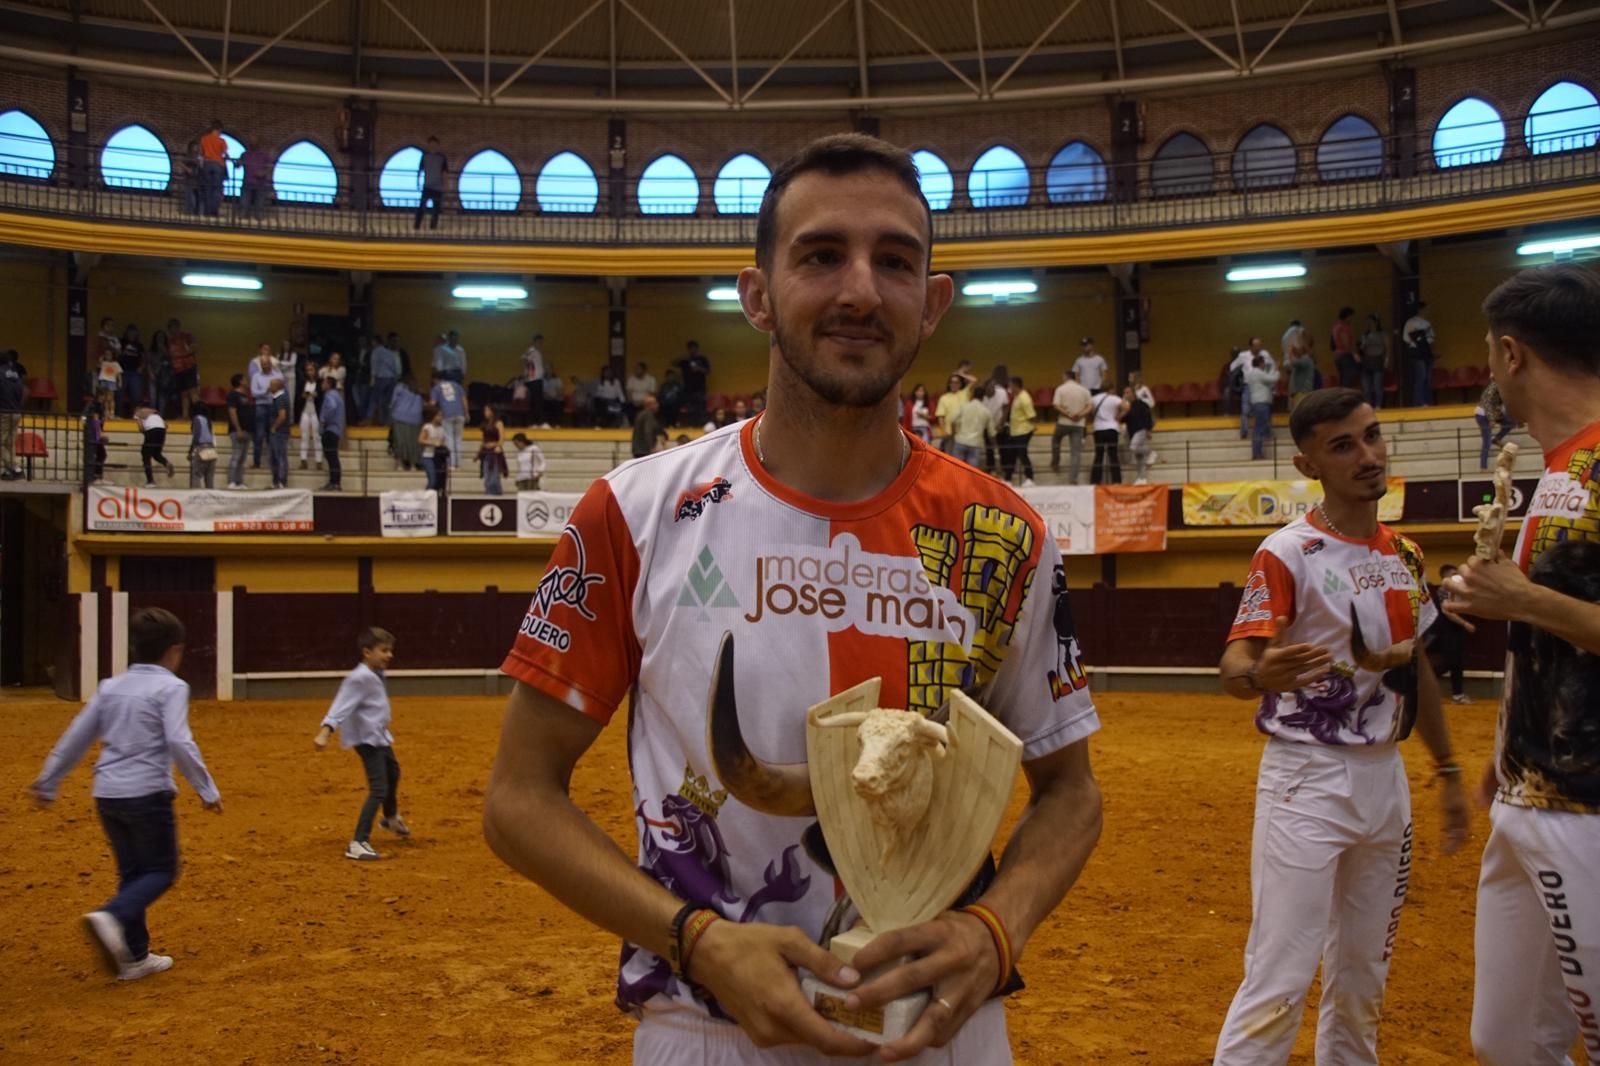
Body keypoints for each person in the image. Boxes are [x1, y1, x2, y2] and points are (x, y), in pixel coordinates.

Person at [482, 132, 1102, 1065]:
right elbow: (518, 799)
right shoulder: (633, 513)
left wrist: (995, 929)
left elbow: (1072, 794)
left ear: (931, 303)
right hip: (708, 1022)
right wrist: (698, 940)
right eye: (821, 256)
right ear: (758, 294)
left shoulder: (1008, 534)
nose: (860, 290)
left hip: (943, 1026)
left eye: (894, 261)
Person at [1213, 387, 1468, 1066]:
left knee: (1363, 981)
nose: (1368, 456)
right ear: (1308, 464)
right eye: (1343, 445)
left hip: (1386, 784)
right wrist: (1258, 677)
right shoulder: (1288, 551)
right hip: (1306, 781)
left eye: (1373, 437)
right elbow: (1235, 661)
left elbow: (1416, 675)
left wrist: (1445, 771)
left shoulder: (1406, 556)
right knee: (1279, 980)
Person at [1441, 264, 1600, 1065]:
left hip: (1592, 807)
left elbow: (1542, 615)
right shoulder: (1558, 469)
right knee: (1506, 1041)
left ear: (1510, 354)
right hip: (1530, 792)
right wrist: (1505, 755)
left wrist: (1526, 601)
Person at [28, 608, 224, 982]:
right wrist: (205, 788)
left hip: (108, 795)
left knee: (133, 873)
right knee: (161, 870)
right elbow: (179, 740)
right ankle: (113, 916)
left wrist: (48, 781)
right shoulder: (171, 687)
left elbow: (77, 736)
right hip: (146, 793)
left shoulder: (110, 687)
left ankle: (134, 956)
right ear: (175, 651)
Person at [313, 627, 408, 862]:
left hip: (378, 736)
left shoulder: (374, 672)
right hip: (368, 740)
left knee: (393, 772)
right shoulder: (359, 678)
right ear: (367, 652)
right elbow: (341, 706)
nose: (389, 655)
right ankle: (358, 842)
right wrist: (326, 731)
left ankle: (390, 817)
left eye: (390, 650)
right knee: (379, 789)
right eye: (384, 651)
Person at [1426, 564, 1475, 705]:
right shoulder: (1443, 589)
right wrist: (1465, 624)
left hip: (1454, 630)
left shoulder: (1458, 591)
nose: (1457, 577)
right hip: (1444, 631)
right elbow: (1447, 612)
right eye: (1454, 574)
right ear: (1445, 577)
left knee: (1457, 663)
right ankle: (1420, 686)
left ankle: (1458, 694)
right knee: (1450, 662)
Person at [1050, 368, 1092, 483]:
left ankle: (1055, 461)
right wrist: (1079, 415)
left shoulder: (1061, 389)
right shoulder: (1084, 390)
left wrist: (1068, 414)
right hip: (1079, 424)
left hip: (1063, 422)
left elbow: (1056, 405)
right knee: (1076, 452)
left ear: (1065, 377)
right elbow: (1089, 407)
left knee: (1056, 440)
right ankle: (1073, 478)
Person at [248, 343, 281, 469]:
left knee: (272, 435)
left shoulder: (277, 375)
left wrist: (272, 390)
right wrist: (266, 391)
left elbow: (280, 389)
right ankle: (257, 462)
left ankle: (273, 462)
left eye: (267, 364)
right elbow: (254, 393)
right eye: (263, 365)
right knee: (259, 435)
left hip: (273, 405)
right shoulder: (256, 376)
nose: (265, 366)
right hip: (260, 407)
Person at [949, 379, 994, 467]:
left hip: (960, 440)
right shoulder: (986, 411)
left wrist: (954, 433)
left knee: (957, 469)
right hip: (976, 443)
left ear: (973, 395)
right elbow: (991, 433)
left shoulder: (964, 406)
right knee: (972, 472)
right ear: (983, 397)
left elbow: (952, 419)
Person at [1243, 352, 1279, 461]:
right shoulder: (1258, 373)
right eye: (1263, 363)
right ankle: (1257, 453)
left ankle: (1257, 452)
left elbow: (1268, 381)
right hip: (1261, 403)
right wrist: (1276, 369)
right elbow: (1273, 379)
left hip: (1257, 403)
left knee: (1259, 427)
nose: (1264, 365)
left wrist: (1273, 370)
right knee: (1259, 428)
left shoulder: (1252, 374)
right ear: (1260, 363)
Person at [1472, 379, 1514, 471]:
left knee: (1510, 422)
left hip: (1495, 412)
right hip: (1482, 414)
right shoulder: (1493, 387)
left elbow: (1505, 405)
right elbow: (1487, 403)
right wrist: (1491, 419)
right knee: (1486, 440)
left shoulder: (1504, 389)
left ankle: (1497, 439)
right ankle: (1483, 466)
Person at [1088, 386, 1127, 484]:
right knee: (1113, 455)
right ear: (1111, 389)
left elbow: (1090, 410)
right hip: (1112, 428)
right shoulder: (1114, 398)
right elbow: (1127, 407)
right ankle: (1116, 480)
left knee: (1098, 455)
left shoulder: (1094, 398)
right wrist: (1118, 417)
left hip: (1098, 429)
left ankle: (1095, 481)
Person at [1003, 375, 1036, 486]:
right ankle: (1008, 479)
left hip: (1023, 431)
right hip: (1015, 431)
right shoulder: (1017, 396)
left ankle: (1030, 478)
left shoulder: (1024, 398)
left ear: (1016, 386)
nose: (1009, 388)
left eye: (1010, 386)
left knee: (1022, 455)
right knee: (1011, 455)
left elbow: (1031, 416)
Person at [1402, 302, 1436, 406]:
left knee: (1427, 378)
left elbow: (1432, 336)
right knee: (1421, 376)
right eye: (1426, 309)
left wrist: (1426, 342)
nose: (1427, 311)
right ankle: (1419, 401)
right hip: (1417, 352)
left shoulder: (1427, 323)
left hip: (1426, 351)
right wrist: (1416, 342)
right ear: (1420, 310)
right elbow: (1405, 337)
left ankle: (1427, 400)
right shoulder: (1411, 322)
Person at [430, 375, 467, 469]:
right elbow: (464, 399)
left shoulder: (436, 388)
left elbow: (432, 403)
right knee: (458, 439)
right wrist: (466, 413)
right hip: (460, 414)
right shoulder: (456, 385)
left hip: (447, 415)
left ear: (436, 379)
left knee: (449, 439)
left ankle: (452, 464)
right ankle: (458, 463)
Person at [165, 318, 199, 420]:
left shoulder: (187, 336)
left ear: (178, 326)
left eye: (174, 327)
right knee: (183, 393)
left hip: (189, 367)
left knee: (193, 392)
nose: (172, 329)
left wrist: (179, 355)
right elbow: (169, 354)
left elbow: (194, 348)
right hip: (178, 370)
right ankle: (185, 416)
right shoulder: (170, 340)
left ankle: (200, 415)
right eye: (170, 327)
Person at [1121, 385, 1155, 485]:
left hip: (1141, 430)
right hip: (1132, 431)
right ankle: (1142, 478)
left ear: (1133, 393)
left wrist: (1148, 430)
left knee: (1133, 448)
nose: (1126, 395)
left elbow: (1148, 417)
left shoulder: (1141, 404)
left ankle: (1150, 452)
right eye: (1124, 393)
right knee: (1140, 457)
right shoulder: (1127, 406)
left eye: (1127, 392)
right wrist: (1123, 412)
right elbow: (1123, 419)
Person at [133, 406, 175, 486]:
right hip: (161, 431)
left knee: (145, 455)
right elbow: (166, 425)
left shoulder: (137, 413)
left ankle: (150, 481)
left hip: (151, 430)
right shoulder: (154, 412)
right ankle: (166, 463)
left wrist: (146, 434)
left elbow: (141, 428)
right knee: (156, 454)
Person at [390, 374, 424, 471]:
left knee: (401, 441)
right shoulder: (418, 390)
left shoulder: (399, 387)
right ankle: (413, 464)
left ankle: (400, 464)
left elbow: (393, 402)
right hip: (416, 419)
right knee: (413, 442)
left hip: (400, 417)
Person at [0, 348, 24, 480]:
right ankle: (9, 470)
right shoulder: (15, 374)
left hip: (3, 411)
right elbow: (22, 391)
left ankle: (14, 467)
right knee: (10, 442)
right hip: (16, 411)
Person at [369, 332, 402, 427]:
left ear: (375, 342)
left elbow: (374, 366)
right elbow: (393, 366)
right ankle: (387, 421)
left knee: (376, 400)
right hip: (391, 378)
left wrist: (372, 379)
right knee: (388, 401)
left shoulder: (376, 351)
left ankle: (376, 419)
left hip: (381, 378)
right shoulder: (389, 352)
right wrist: (396, 376)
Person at [933, 370, 971, 454]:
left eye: (957, 382)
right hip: (950, 433)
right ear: (949, 384)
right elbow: (940, 417)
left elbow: (974, 380)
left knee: (963, 460)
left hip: (964, 433)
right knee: (950, 457)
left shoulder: (964, 393)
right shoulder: (944, 398)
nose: (954, 384)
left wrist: (960, 374)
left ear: (960, 384)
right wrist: (944, 431)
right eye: (952, 382)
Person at [225, 373, 251, 489]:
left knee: (242, 458)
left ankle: (239, 481)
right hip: (237, 430)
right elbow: (232, 412)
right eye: (245, 379)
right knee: (236, 455)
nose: (247, 380)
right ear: (240, 381)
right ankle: (231, 481)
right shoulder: (233, 395)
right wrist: (238, 429)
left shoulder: (246, 396)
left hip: (247, 430)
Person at [415, 136, 447, 229]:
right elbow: (420, 169)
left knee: (436, 208)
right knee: (422, 206)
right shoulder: (425, 156)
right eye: (431, 144)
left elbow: (444, 172)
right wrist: (418, 181)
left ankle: (433, 226)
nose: (433, 146)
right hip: (427, 185)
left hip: (438, 186)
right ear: (428, 145)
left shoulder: (441, 157)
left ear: (438, 145)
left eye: (435, 144)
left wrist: (445, 185)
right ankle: (417, 225)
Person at [319, 376, 344, 491]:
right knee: (332, 456)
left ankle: (335, 482)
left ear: (328, 384)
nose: (322, 384)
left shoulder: (330, 395)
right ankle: (334, 481)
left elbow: (331, 407)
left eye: (324, 382)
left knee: (332, 456)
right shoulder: (338, 395)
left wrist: (324, 420)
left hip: (330, 429)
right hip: (336, 429)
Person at [1358, 313, 1388, 409]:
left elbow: (1387, 347)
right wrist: (1363, 343)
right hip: (1366, 361)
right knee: (1366, 387)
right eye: (1367, 323)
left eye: (1371, 322)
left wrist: (1387, 359)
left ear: (1376, 322)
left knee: (1377, 385)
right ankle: (1368, 405)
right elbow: (1361, 349)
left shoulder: (1382, 334)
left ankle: (1378, 405)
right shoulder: (1364, 335)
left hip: (1377, 360)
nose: (1369, 324)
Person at [198, 119, 227, 217]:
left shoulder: (204, 139)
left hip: (206, 164)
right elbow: (225, 153)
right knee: (217, 188)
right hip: (218, 164)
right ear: (219, 129)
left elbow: (201, 153)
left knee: (207, 188)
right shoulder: (221, 141)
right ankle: (213, 211)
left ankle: (206, 210)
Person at [678, 339, 711, 425]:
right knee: (690, 409)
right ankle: (691, 425)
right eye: (690, 348)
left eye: (693, 348)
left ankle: (700, 425)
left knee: (700, 408)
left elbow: (708, 371)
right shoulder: (686, 360)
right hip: (688, 388)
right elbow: (673, 363)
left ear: (697, 348)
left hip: (700, 388)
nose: (692, 350)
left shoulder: (702, 359)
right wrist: (684, 359)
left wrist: (699, 369)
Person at [298, 358, 322, 472]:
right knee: (304, 435)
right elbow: (299, 397)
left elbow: (322, 396)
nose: (309, 372)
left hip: (315, 411)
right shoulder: (303, 383)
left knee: (317, 436)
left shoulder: (320, 382)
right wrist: (303, 395)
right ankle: (303, 460)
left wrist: (316, 395)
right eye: (308, 370)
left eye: (311, 370)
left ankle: (319, 461)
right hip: (305, 410)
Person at [267, 375, 290, 489]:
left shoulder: (281, 398)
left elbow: (282, 416)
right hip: (277, 432)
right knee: (273, 457)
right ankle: (276, 481)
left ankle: (281, 481)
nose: (269, 387)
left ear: (277, 386)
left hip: (280, 432)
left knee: (280, 456)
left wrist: (274, 427)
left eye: (271, 384)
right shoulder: (276, 398)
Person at [118, 324, 146, 418]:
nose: (132, 334)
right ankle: (118, 414)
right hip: (122, 372)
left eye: (134, 332)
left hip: (135, 373)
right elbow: (116, 354)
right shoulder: (121, 342)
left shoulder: (139, 345)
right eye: (130, 332)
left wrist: (141, 367)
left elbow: (143, 358)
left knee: (136, 395)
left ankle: (135, 415)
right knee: (119, 395)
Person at [478, 403, 507, 496]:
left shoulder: (499, 423)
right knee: (487, 476)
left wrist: (494, 445)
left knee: (494, 477)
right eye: (484, 411)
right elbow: (483, 440)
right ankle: (488, 494)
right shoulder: (485, 424)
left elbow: (502, 439)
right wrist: (478, 453)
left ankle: (496, 495)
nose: (485, 412)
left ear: (492, 411)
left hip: (495, 452)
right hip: (486, 452)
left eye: (487, 410)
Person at [238, 142, 270, 220]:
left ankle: (259, 218)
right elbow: (238, 164)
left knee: (259, 203)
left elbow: (270, 166)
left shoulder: (264, 155)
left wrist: (263, 173)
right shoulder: (245, 154)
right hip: (247, 182)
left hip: (260, 183)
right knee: (244, 203)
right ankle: (243, 216)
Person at [1285, 334, 1316, 411]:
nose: (1296, 348)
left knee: (1299, 416)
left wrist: (1290, 352)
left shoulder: (1306, 359)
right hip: (1298, 393)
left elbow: (1293, 362)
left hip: (1301, 393)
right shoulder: (1304, 359)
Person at [419, 408, 447, 491]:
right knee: (432, 480)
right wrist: (432, 442)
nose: (440, 418)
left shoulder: (442, 429)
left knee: (439, 480)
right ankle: (425, 497)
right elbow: (420, 439)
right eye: (439, 416)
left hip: (437, 457)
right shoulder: (427, 427)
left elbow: (443, 441)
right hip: (427, 456)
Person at [1331, 307, 1359, 388]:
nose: (1352, 319)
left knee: (1343, 378)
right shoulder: (1343, 327)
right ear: (1347, 316)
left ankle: (1343, 397)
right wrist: (1355, 354)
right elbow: (1345, 343)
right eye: (1351, 316)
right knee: (1348, 379)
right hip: (1345, 356)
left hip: (1338, 355)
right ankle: (1346, 397)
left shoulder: (1336, 326)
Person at [188, 407, 216, 489]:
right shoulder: (208, 420)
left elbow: (196, 435)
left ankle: (195, 495)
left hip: (201, 448)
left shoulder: (197, 419)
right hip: (211, 448)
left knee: (196, 474)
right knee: (209, 476)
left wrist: (191, 451)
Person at [631, 393, 661, 459]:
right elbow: (648, 431)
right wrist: (651, 447)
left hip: (638, 450)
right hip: (644, 450)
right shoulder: (648, 415)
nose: (657, 405)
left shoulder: (641, 414)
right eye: (655, 403)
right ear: (650, 405)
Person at [83, 401, 107, 483]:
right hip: (95, 439)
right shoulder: (95, 417)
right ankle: (96, 476)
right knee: (101, 455)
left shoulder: (94, 417)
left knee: (101, 456)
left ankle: (98, 476)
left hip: (95, 439)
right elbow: (97, 428)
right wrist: (100, 437)